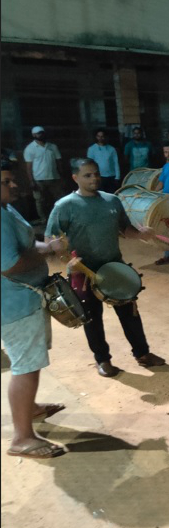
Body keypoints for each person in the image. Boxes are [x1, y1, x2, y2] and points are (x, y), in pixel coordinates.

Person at [46, 158, 165, 377]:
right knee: (92, 318)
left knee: (130, 312)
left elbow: (124, 229)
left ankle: (143, 354)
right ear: (75, 178)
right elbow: (51, 237)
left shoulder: (112, 201)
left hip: (113, 266)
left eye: (96, 174)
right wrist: (65, 258)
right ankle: (103, 360)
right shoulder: (65, 206)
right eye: (87, 175)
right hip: (83, 271)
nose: (94, 179)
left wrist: (140, 235)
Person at [1, 161, 68, 459]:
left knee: (31, 361)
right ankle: (22, 438)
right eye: (6, 181)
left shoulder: (6, 209)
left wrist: (47, 246)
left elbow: (29, 244)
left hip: (25, 298)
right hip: (15, 302)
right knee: (25, 366)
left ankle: (32, 408)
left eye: (12, 180)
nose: (14, 185)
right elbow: (10, 264)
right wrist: (49, 251)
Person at [23, 126, 64, 225]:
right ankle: (44, 219)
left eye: (41, 133)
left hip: (54, 177)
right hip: (38, 179)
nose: (40, 135)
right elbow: (28, 167)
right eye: (37, 133)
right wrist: (31, 181)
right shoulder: (30, 149)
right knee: (40, 200)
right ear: (33, 135)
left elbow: (59, 162)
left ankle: (61, 217)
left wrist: (62, 176)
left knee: (59, 199)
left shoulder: (52, 147)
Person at [86, 129, 121, 193]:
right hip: (99, 176)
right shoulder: (91, 149)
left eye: (102, 136)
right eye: (98, 136)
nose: (100, 138)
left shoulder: (111, 149)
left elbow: (116, 163)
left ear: (105, 137)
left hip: (111, 176)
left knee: (112, 195)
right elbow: (89, 164)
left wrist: (117, 176)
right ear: (96, 137)